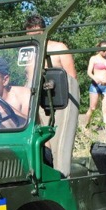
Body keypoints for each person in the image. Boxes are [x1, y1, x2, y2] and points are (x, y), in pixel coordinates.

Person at [24, 14, 78, 175]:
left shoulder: (59, 48)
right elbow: (27, 78)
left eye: (37, 33)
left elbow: (72, 79)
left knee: (59, 145)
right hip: (35, 102)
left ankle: (62, 176)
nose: (34, 37)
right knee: (39, 141)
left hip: (59, 102)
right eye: (30, 34)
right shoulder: (29, 52)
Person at [83, 41, 106, 136]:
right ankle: (85, 126)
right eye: (103, 50)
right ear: (99, 49)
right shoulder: (94, 58)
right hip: (95, 85)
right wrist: (94, 78)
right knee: (92, 107)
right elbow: (89, 72)